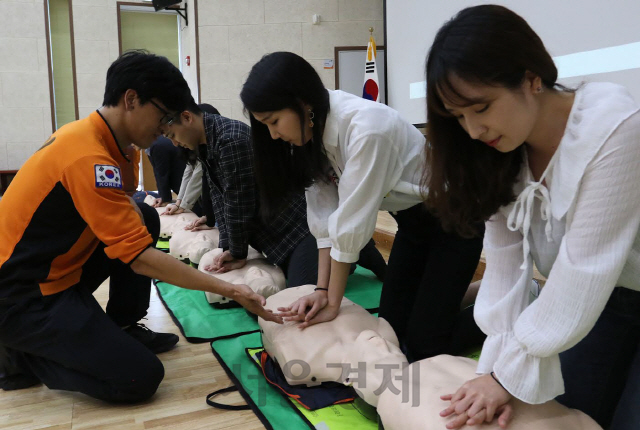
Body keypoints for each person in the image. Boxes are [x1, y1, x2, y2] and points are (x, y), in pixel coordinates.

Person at [0, 51, 281, 402]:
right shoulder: (88, 157)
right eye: (163, 116)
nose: (166, 128)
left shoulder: (119, 148)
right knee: (140, 377)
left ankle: (123, 324)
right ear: (131, 99)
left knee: (144, 216)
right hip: (20, 293)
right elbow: (140, 258)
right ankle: (23, 353)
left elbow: (125, 228)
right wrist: (234, 290)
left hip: (56, 273)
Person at [424, 5, 640, 430]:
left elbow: (584, 268)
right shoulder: (499, 155)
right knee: (565, 413)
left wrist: (507, 376)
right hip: (607, 301)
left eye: (481, 108)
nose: (471, 130)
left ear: (531, 78)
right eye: (458, 117)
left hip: (595, 290)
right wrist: (495, 370)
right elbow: (505, 269)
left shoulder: (615, 127)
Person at [239, 52, 484, 362]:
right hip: (413, 222)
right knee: (392, 330)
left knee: (423, 348)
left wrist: (332, 302)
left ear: (303, 103)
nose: (274, 134)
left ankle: (515, 303)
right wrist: (321, 290)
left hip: (457, 222)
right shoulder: (312, 135)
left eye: (274, 121)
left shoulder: (367, 128)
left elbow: (351, 224)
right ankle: (472, 295)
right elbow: (325, 218)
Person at [161, 99, 384, 286]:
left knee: (302, 289)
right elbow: (221, 198)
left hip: (299, 229)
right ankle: (352, 253)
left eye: (172, 135)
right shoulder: (208, 142)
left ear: (188, 118)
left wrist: (237, 253)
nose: (174, 143)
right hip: (277, 235)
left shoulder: (230, 139)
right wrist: (228, 249)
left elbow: (238, 202)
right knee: (295, 279)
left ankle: (355, 253)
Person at [163, 104, 221, 218]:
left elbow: (198, 175)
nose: (175, 143)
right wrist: (179, 202)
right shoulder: (189, 145)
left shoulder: (217, 142)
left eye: (173, 135)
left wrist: (184, 205)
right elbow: (189, 171)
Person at [146, 135, 186, 207]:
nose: (132, 145)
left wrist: (165, 199)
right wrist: (163, 197)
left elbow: (161, 174)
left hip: (186, 183)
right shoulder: (154, 145)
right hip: (183, 183)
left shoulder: (157, 145)